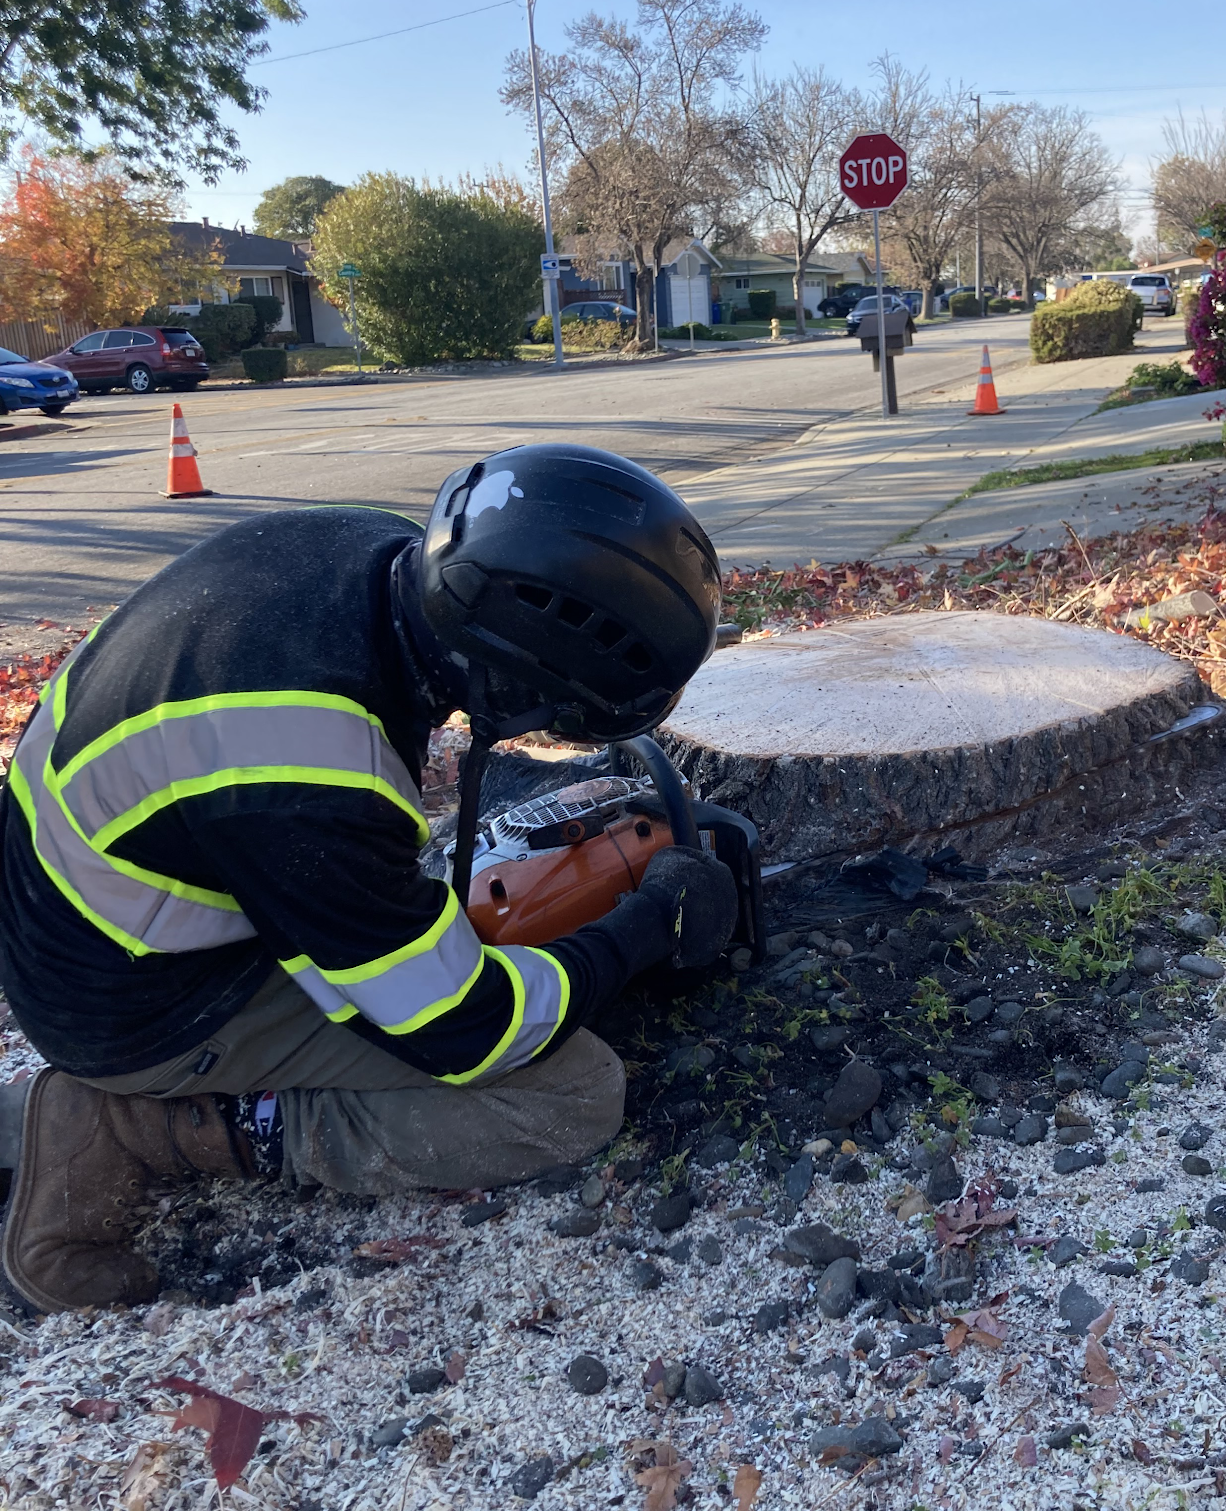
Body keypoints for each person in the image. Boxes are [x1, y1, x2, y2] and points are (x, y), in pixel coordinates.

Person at [0, 443, 739, 1314]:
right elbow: (469, 1033)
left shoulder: (385, 555)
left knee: (414, 937)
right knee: (569, 1095)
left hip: (99, 898)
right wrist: (649, 928)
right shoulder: (311, 768)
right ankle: (141, 1122)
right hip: (134, 1003)